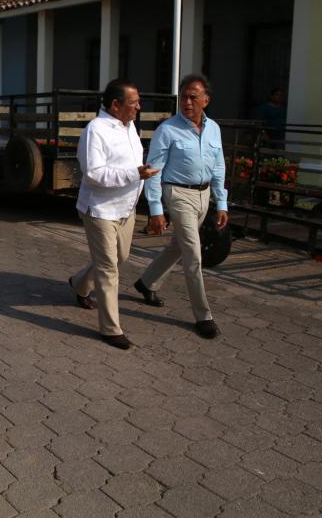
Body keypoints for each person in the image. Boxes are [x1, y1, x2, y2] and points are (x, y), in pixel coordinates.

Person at [134, 74, 228, 340]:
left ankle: (147, 282)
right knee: (193, 256)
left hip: (203, 195)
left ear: (206, 101)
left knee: (178, 246)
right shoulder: (168, 129)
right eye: (184, 96)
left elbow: (218, 166)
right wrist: (155, 210)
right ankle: (203, 316)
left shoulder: (214, 129)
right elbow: (153, 170)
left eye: (193, 97)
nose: (187, 102)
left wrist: (221, 202)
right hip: (177, 194)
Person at [68, 79, 160, 350]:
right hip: (100, 210)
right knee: (109, 268)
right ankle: (110, 329)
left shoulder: (129, 126)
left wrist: (142, 174)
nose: (139, 108)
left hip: (126, 209)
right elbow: (94, 174)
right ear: (116, 105)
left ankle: (79, 284)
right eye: (134, 103)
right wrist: (135, 173)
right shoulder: (95, 131)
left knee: (119, 257)